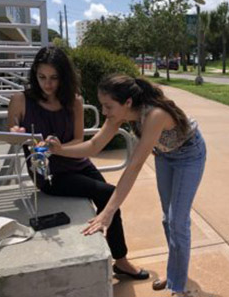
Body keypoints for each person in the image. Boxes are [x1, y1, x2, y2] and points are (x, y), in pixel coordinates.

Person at [47, 74, 206, 297]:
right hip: (165, 155)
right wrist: (60, 150)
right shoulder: (117, 115)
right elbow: (94, 146)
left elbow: (134, 166)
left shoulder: (155, 115)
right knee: (167, 219)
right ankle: (176, 273)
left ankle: (178, 286)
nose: (104, 112)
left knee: (177, 221)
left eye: (108, 106)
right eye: (102, 105)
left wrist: (107, 212)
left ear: (127, 103)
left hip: (190, 155)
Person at [7, 46, 149, 280]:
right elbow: (12, 133)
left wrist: (59, 148)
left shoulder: (74, 101)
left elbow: (77, 139)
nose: (47, 84)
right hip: (50, 174)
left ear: (64, 77)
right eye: (42, 77)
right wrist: (17, 132)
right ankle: (120, 260)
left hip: (78, 163)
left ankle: (119, 259)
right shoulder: (20, 100)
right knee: (109, 193)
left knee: (110, 200)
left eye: (54, 78)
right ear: (35, 75)